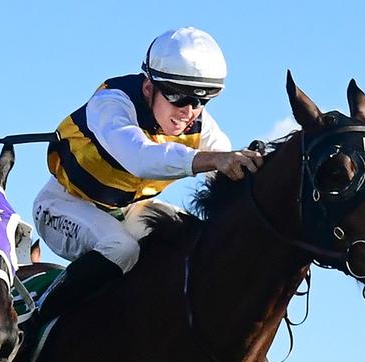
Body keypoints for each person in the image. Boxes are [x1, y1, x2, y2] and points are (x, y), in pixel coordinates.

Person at [28, 27, 263, 333]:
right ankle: (34, 324)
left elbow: (228, 166)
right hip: (64, 206)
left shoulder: (201, 125)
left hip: (130, 210)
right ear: (149, 86)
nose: (189, 112)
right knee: (121, 248)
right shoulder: (111, 104)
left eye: (201, 100)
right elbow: (140, 157)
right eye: (178, 96)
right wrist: (214, 159)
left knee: (193, 237)